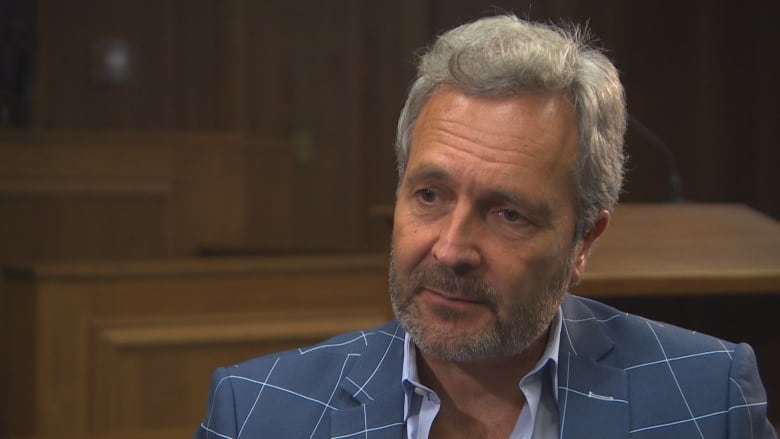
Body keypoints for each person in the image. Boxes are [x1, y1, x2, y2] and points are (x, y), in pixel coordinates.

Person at [194, 15, 775, 439]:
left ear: (583, 243)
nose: (450, 249)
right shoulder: (258, 414)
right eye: (430, 195)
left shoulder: (707, 399)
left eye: (509, 214)